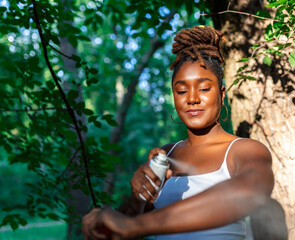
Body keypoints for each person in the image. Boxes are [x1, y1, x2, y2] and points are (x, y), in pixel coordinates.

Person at [82, 25, 274, 240]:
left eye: (203, 88)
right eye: (181, 90)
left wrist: (134, 226)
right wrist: (137, 197)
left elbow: (253, 190)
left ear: (221, 94)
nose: (192, 98)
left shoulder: (243, 150)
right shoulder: (166, 155)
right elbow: (117, 229)